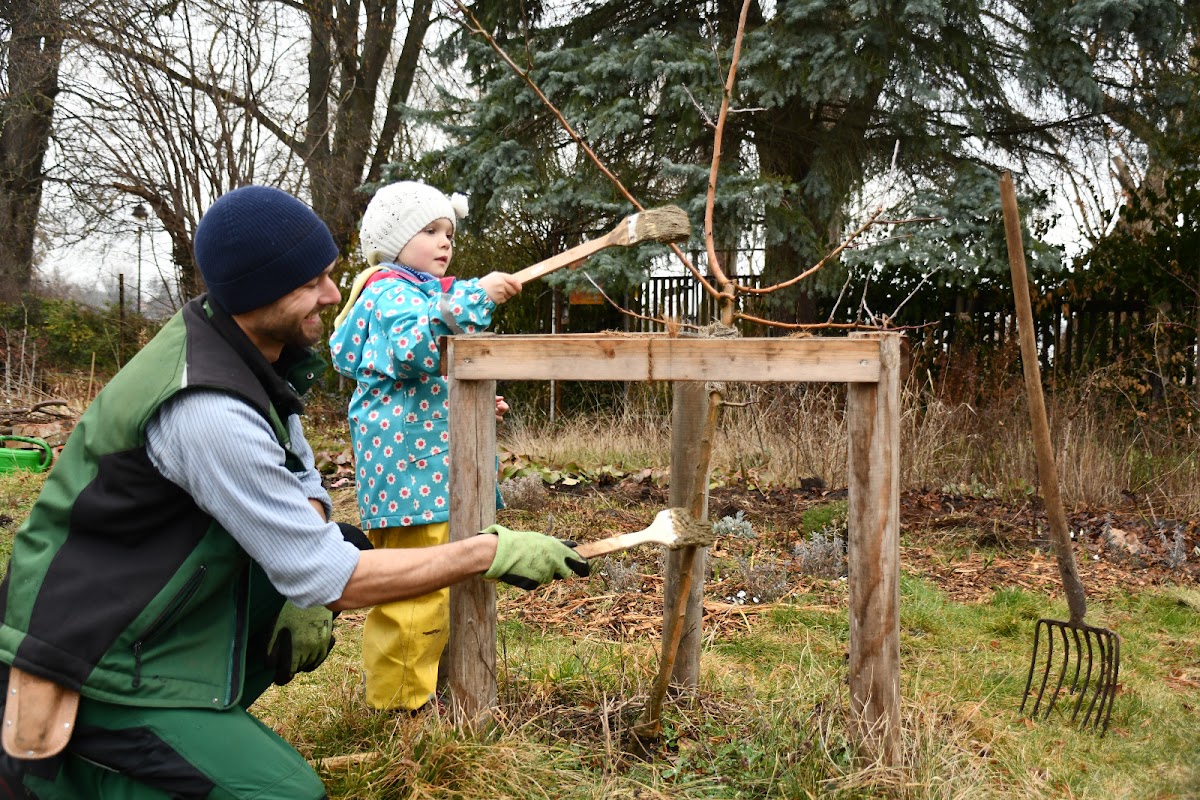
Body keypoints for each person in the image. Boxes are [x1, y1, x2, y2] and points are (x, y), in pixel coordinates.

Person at [0, 185, 586, 799]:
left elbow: (303, 476)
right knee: (288, 794)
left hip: (152, 612)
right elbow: (329, 576)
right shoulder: (207, 409)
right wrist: (488, 552)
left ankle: (184, 733)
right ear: (257, 294)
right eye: (311, 284)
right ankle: (90, 760)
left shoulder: (252, 353)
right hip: (91, 654)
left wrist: (311, 573)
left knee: (342, 543)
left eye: (328, 274)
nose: (333, 295)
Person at [328, 181, 523, 713]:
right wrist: (476, 296)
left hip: (425, 471)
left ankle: (428, 688)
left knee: (441, 583)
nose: (444, 242)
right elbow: (416, 345)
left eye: (449, 233)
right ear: (394, 241)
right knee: (413, 592)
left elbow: (424, 377)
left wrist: (468, 406)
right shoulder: (390, 292)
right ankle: (400, 707)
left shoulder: (415, 293)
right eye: (430, 231)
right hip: (409, 477)